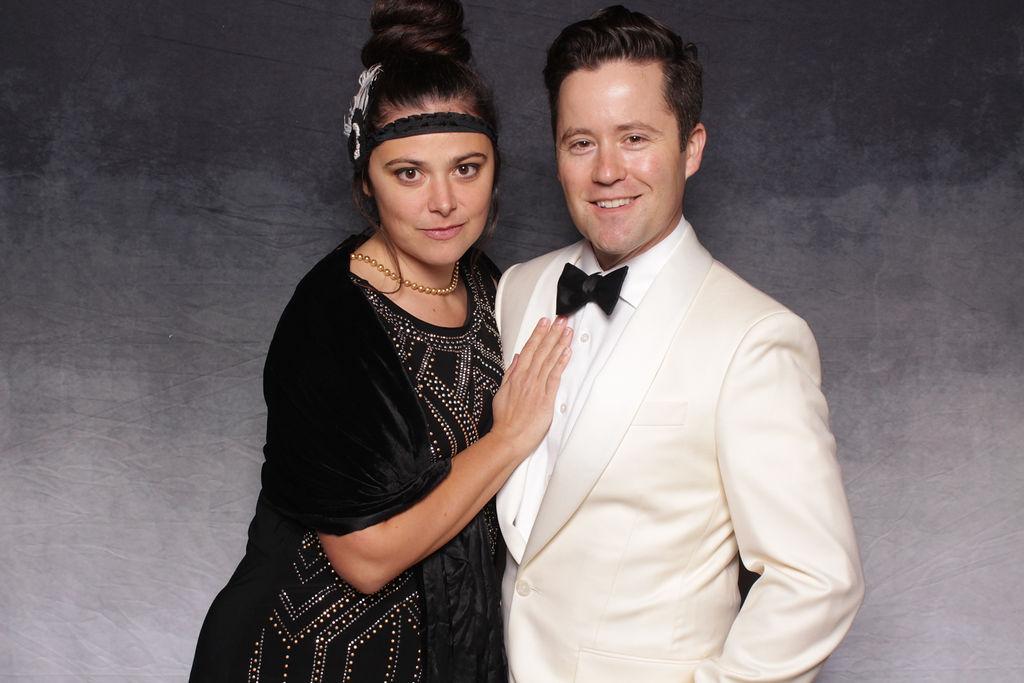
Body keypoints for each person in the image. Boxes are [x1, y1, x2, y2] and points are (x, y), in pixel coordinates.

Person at [188, 1, 572, 681]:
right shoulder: (332, 318)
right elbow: (365, 558)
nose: (444, 201)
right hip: (308, 657)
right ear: (367, 180)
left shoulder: (492, 286)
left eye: (466, 168)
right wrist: (509, 438)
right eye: (409, 173)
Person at [494, 6, 864, 682]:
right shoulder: (520, 288)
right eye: (581, 142)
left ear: (691, 149)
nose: (608, 170)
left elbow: (818, 579)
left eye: (635, 138)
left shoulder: (755, 339)